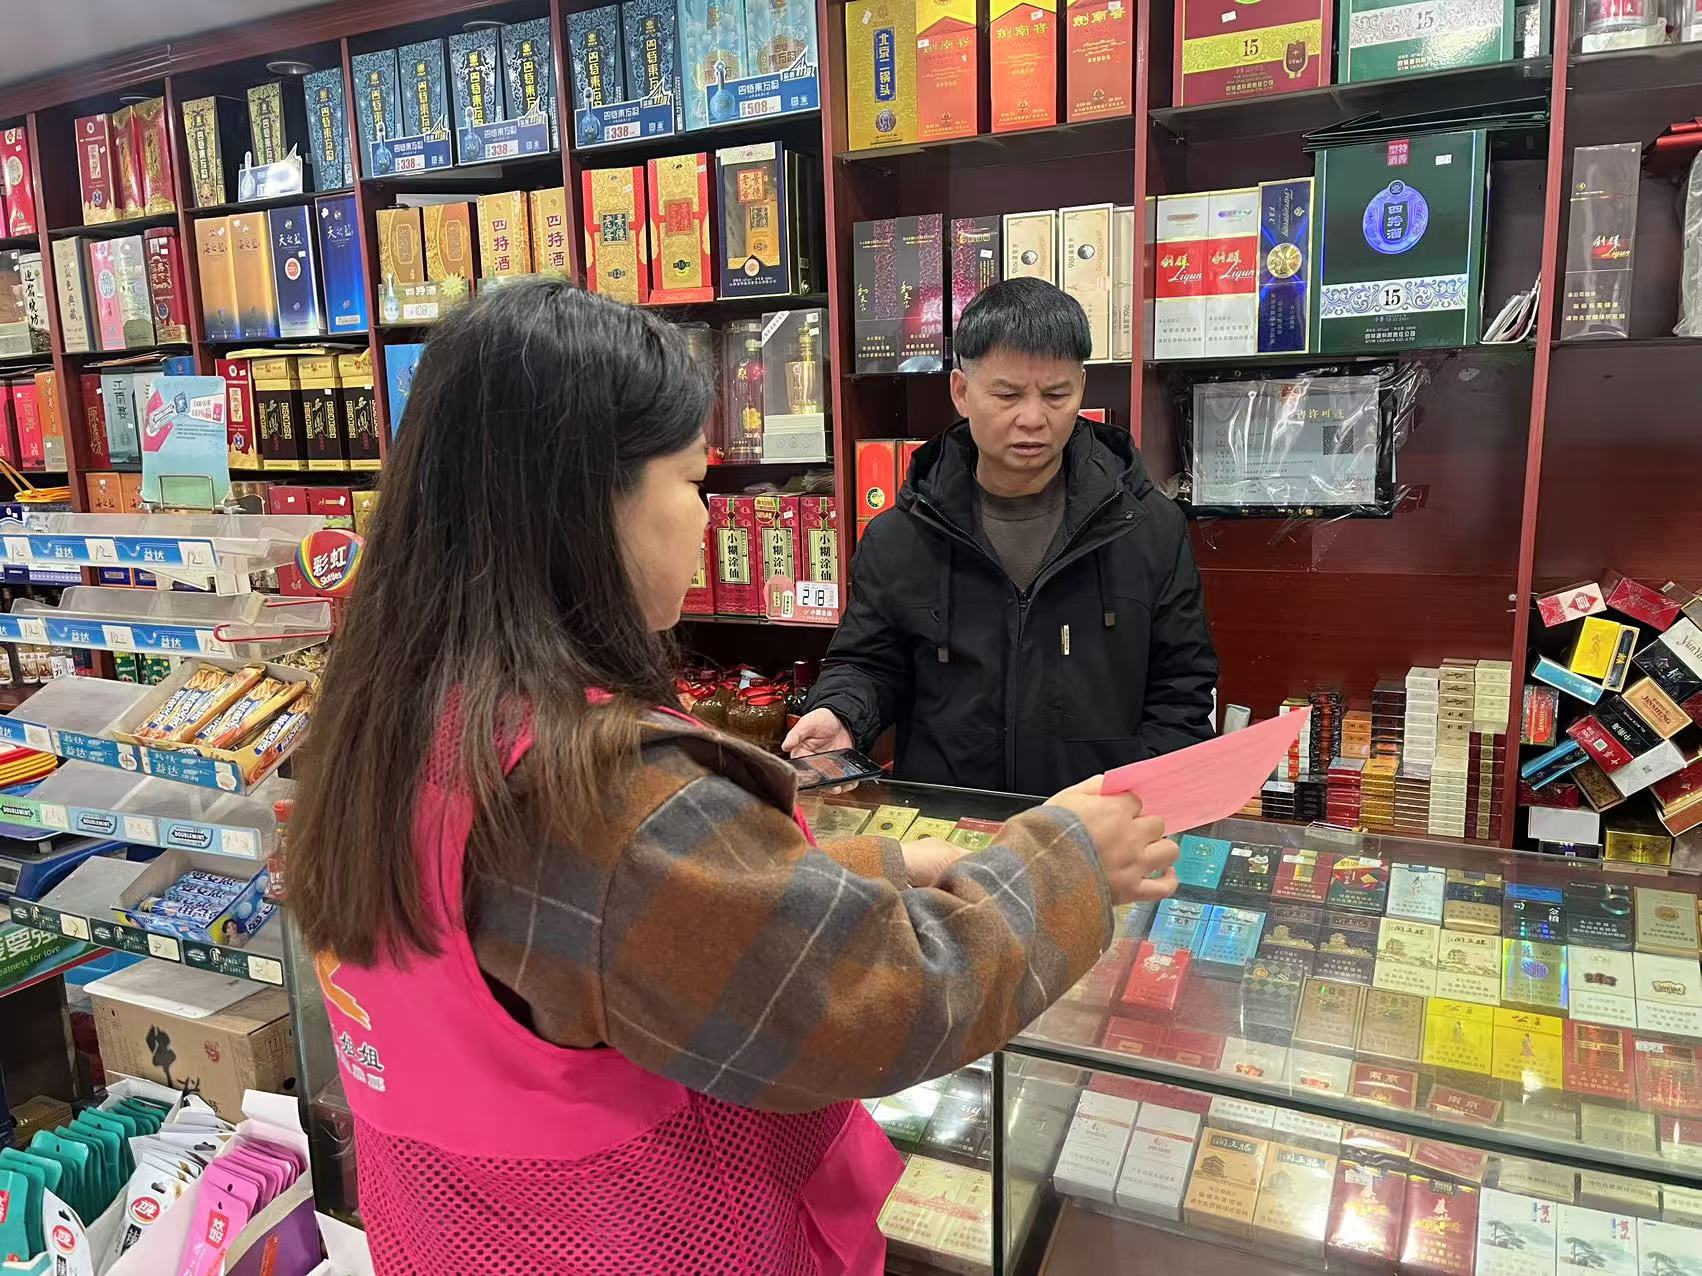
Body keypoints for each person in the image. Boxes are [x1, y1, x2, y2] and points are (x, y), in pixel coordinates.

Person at [288, 279, 1181, 1275]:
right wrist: (1066, 862)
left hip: (458, 1235)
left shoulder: (400, 714)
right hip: (650, 1242)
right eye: (692, 481)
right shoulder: (603, 792)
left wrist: (876, 867)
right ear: (584, 505)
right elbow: (883, 1000)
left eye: (1057, 392)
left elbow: (634, 925)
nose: (710, 520)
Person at [786, 277, 1219, 795]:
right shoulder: (901, 536)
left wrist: (1133, 802)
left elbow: (1182, 691)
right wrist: (840, 713)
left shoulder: (1147, 526)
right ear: (961, 392)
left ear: (1081, 388)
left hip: (1095, 825)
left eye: (1056, 394)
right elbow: (868, 662)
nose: (1033, 419)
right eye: (1007, 395)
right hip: (949, 829)